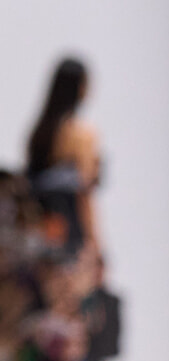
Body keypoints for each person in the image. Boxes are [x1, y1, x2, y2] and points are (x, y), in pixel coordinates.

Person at [25, 58, 101, 259]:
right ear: (80, 88)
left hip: (42, 232)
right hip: (72, 232)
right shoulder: (81, 134)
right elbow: (84, 195)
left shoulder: (39, 133)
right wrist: (95, 243)